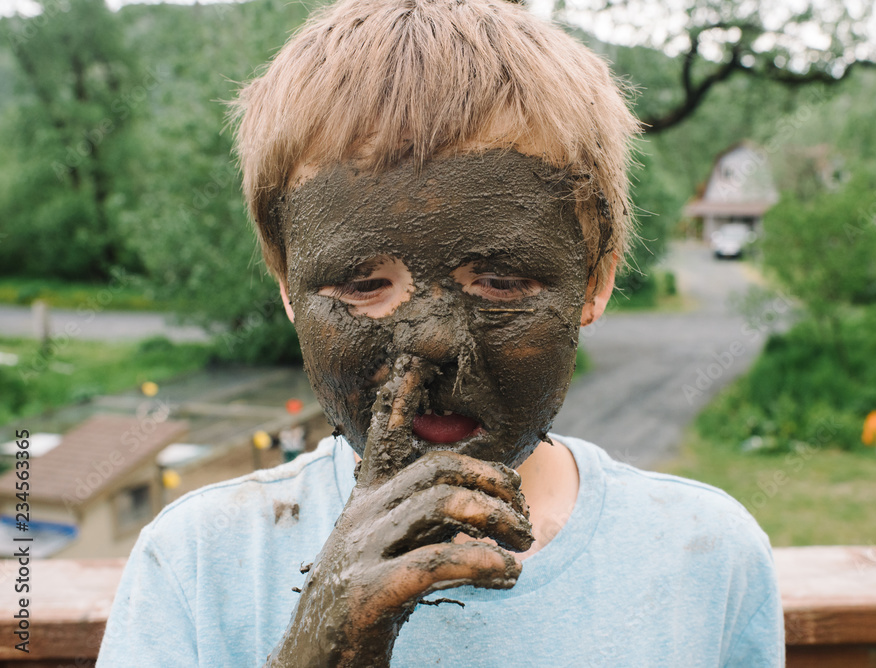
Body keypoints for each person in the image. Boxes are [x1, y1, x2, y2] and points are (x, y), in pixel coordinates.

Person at [98, 0, 784, 665]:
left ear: (595, 281)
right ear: (286, 289)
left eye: (502, 282)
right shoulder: (198, 565)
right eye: (364, 286)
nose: (430, 347)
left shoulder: (706, 560)